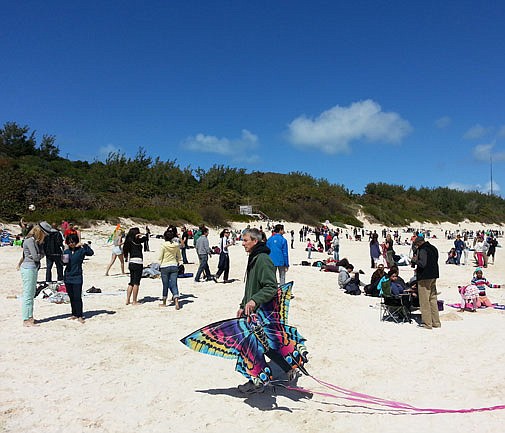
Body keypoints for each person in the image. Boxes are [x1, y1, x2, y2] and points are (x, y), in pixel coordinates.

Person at [236, 228, 280, 393]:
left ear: (255, 241)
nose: (243, 243)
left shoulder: (262, 259)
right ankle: (287, 368)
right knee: (262, 347)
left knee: (254, 349)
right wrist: (243, 305)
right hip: (251, 312)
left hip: (260, 314)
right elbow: (250, 287)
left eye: (245, 240)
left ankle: (256, 382)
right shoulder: (254, 258)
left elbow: (271, 287)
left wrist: (255, 301)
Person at [17, 222, 51, 326]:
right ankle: (26, 319)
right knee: (28, 294)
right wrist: (39, 255)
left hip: (32, 267)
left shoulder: (34, 241)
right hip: (29, 268)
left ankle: (29, 317)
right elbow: (37, 257)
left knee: (31, 294)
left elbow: (39, 254)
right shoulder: (30, 241)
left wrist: (39, 254)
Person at [63, 234, 94, 323]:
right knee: (71, 297)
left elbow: (91, 253)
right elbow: (64, 263)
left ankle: (80, 315)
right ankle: (74, 314)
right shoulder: (66, 251)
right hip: (68, 277)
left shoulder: (81, 250)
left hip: (77, 277)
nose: (71, 243)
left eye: (72, 242)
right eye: (69, 242)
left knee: (77, 297)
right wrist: (63, 255)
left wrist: (83, 245)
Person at [413, 236, 441, 329]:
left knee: (424, 301)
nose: (416, 247)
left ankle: (427, 323)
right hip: (434, 275)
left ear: (419, 243)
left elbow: (422, 263)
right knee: (433, 299)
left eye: (417, 245)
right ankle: (436, 322)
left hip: (425, 277)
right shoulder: (433, 248)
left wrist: (415, 260)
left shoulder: (423, 250)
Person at [123, 227, 148, 305]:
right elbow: (146, 238)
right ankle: (134, 301)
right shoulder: (137, 241)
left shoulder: (128, 241)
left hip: (131, 262)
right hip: (138, 262)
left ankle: (127, 300)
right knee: (136, 283)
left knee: (131, 282)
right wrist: (143, 234)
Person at [158, 228, 182, 309]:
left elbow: (160, 257)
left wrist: (159, 265)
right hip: (174, 265)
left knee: (165, 285)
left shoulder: (163, 245)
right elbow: (179, 256)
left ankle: (164, 302)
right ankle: (176, 301)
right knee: (174, 284)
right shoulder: (176, 245)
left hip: (165, 266)